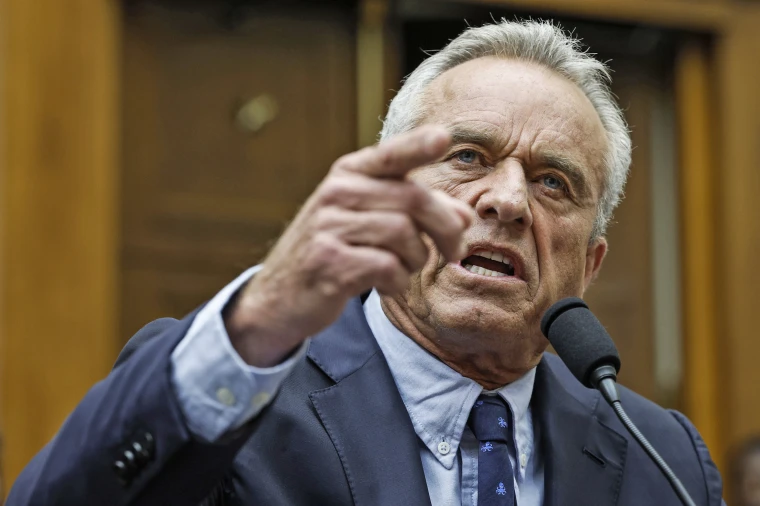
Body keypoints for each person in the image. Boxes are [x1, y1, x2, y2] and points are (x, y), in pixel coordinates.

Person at [8, 20, 724, 506]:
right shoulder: (236, 402)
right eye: (467, 157)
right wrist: (261, 320)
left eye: (553, 183)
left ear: (591, 264)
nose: (507, 201)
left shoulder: (662, 458)